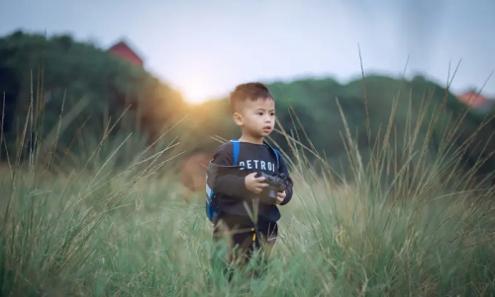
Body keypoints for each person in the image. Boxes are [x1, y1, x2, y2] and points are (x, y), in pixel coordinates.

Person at [206, 82, 294, 279]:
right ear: (239, 118)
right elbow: (216, 181)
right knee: (227, 277)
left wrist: (284, 194)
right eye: (260, 113)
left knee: (258, 276)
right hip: (231, 229)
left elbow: (287, 182)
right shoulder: (230, 150)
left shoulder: (274, 155)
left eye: (272, 113)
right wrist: (243, 184)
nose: (268, 119)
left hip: (265, 229)